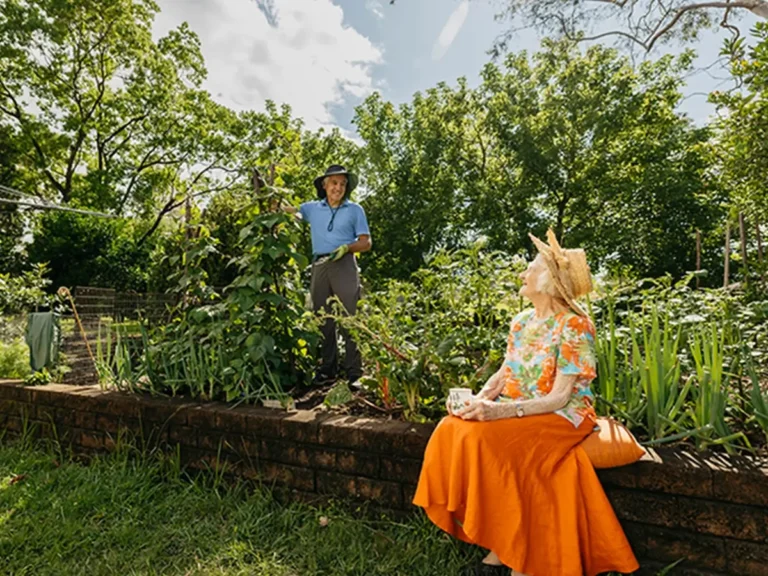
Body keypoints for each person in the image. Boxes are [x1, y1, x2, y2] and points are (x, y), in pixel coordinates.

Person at [412, 229, 639, 576]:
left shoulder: (576, 325)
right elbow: (504, 373)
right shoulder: (521, 321)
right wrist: (478, 399)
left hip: (563, 415)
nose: (523, 274)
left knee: (490, 441)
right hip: (519, 408)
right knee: (452, 427)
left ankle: (511, 558)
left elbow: (561, 397)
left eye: (530, 269)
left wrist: (499, 411)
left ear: (549, 281)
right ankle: (501, 548)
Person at [280, 165, 372, 387]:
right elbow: (289, 211)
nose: (338, 187)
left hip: (344, 264)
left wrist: (347, 248)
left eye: (342, 183)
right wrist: (273, 199)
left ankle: (354, 373)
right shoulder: (312, 208)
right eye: (334, 183)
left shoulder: (355, 210)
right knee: (323, 319)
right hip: (320, 264)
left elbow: (366, 242)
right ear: (324, 185)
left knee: (350, 318)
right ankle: (327, 370)